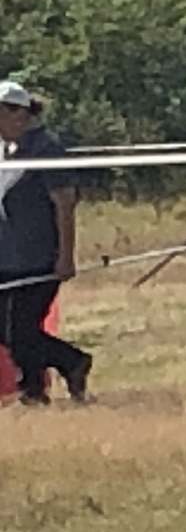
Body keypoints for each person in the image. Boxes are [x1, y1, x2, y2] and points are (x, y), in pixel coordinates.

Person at [0, 80, 90, 404]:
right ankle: (70, 362)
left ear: (18, 114)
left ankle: (34, 390)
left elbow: (64, 203)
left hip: (38, 257)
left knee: (20, 330)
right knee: (7, 329)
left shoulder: (46, 150)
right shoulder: (5, 151)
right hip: (6, 257)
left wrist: (65, 256)